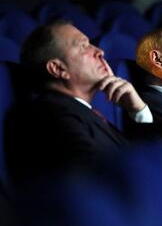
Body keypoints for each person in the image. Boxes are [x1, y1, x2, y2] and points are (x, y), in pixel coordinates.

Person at [5, 20, 153, 181]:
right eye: (83, 46)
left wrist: (139, 111)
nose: (100, 52)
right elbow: (104, 176)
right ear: (58, 68)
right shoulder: (48, 114)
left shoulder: (81, 111)